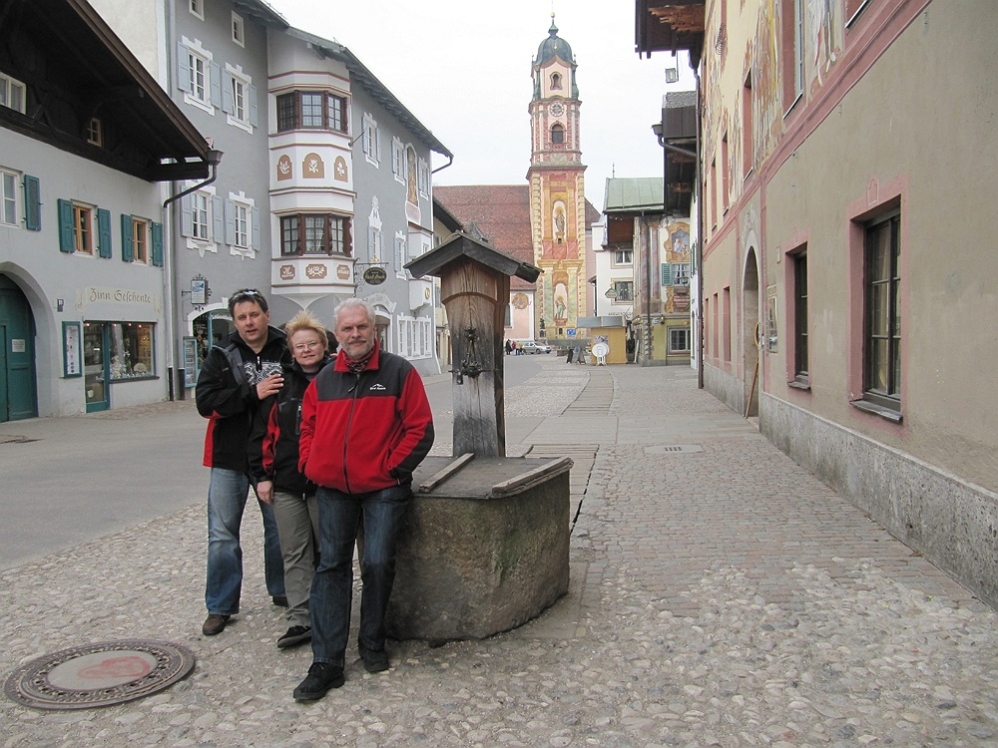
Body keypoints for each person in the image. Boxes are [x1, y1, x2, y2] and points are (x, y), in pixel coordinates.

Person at [292, 298, 434, 701]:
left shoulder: (397, 372)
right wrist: (311, 464)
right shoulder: (323, 381)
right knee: (331, 568)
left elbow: (420, 429)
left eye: (362, 327)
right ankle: (326, 662)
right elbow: (307, 428)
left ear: (374, 331)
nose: (355, 334)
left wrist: (391, 469)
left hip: (383, 489)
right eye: (347, 329)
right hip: (334, 489)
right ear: (336, 335)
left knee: (376, 562)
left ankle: (372, 641)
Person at [195, 289, 288, 637]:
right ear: (235, 322)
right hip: (229, 457)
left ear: (266, 314)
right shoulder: (222, 354)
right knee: (221, 535)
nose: (249, 322)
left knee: (279, 529)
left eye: (254, 315)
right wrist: (253, 393)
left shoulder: (286, 346)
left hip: (273, 455)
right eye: (241, 317)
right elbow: (206, 403)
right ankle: (219, 605)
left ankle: (281, 589)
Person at [249, 311, 332, 649]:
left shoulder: (336, 379)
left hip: (325, 482)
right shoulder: (280, 384)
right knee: (294, 552)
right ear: (291, 350)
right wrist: (262, 477)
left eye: (312, 343)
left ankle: (328, 612)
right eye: (300, 345)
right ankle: (300, 619)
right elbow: (263, 433)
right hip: (285, 481)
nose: (307, 350)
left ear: (324, 346)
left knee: (327, 551)